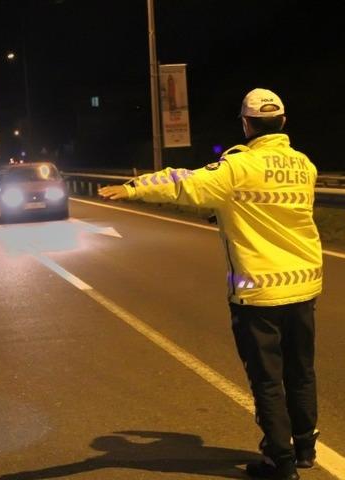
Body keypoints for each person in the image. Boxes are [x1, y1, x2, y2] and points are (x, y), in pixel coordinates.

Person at [98, 88, 322, 480]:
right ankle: (304, 449)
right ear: (283, 123)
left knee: (267, 381)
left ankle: (280, 463)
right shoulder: (305, 165)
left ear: (246, 124)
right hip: (304, 285)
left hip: (259, 292)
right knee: (301, 371)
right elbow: (273, 211)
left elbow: (185, 183)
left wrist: (134, 187)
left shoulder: (238, 166)